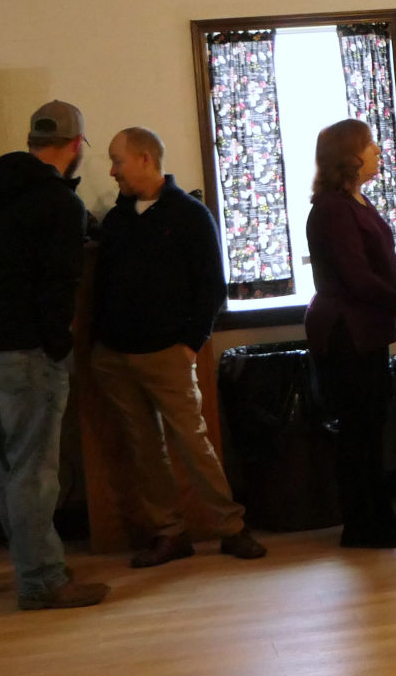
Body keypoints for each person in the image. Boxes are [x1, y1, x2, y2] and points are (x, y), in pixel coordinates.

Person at [0, 101, 109, 611]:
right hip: (27, 351)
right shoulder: (59, 203)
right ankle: (42, 580)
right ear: (75, 146)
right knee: (35, 472)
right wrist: (58, 346)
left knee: (7, 470)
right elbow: (59, 287)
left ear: (30, 141)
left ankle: (33, 566)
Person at [90, 126, 266, 567]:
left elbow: (211, 286)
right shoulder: (116, 221)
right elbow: (102, 286)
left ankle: (231, 528)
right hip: (116, 354)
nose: (112, 171)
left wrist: (190, 344)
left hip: (168, 352)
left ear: (145, 159)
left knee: (192, 442)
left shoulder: (190, 215)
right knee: (143, 448)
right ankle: (169, 533)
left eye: (118, 161)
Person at [303, 119, 396, 549]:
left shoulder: (358, 202)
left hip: (365, 330)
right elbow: (355, 274)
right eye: (368, 144)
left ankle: (380, 511)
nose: (377, 150)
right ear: (348, 156)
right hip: (345, 332)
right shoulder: (332, 209)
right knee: (358, 429)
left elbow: (386, 257)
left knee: (373, 424)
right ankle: (360, 524)